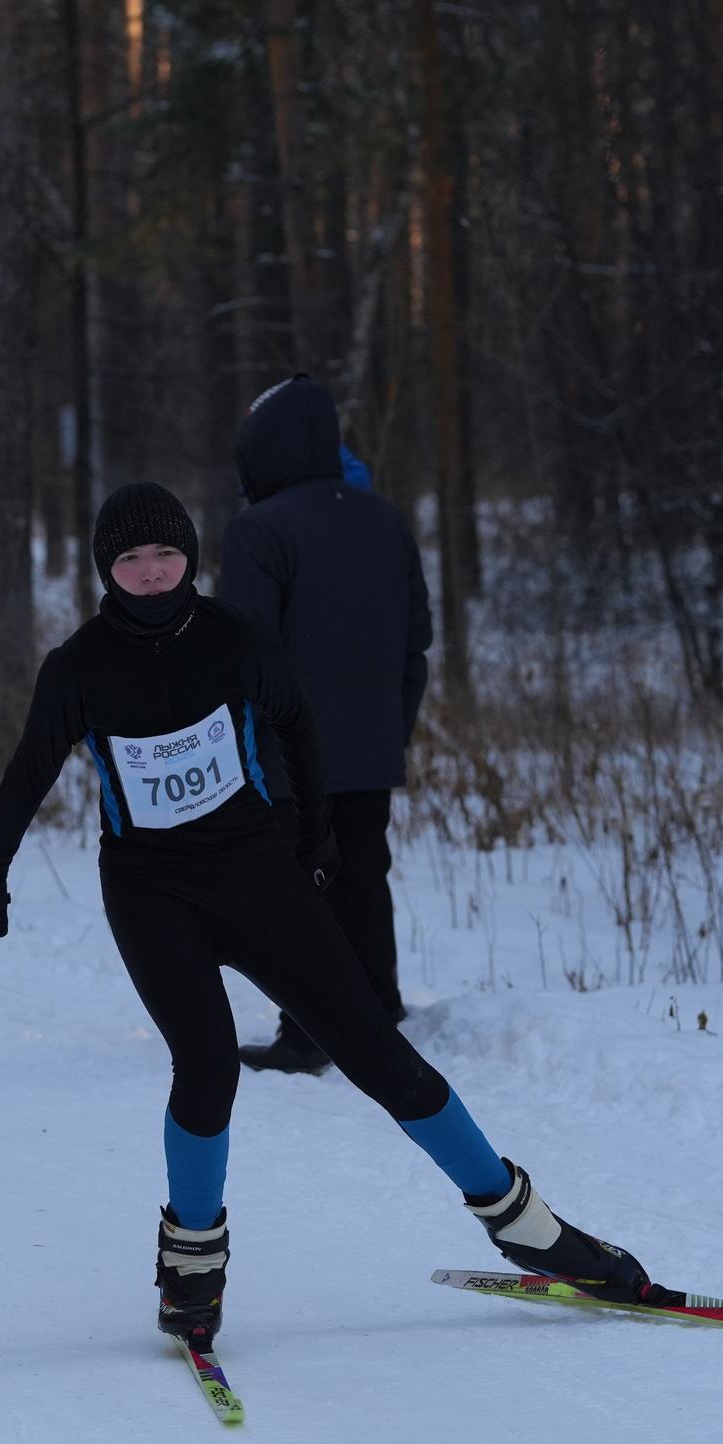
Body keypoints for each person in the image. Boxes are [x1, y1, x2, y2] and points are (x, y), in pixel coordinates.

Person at [0, 482, 675, 1356]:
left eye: (165, 554)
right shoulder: (78, 666)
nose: (149, 573)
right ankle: (191, 1270)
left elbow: (296, 722)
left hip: (256, 871)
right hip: (150, 889)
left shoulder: (236, 643)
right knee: (208, 1062)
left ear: (191, 558)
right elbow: (28, 771)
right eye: (129, 559)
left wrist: (316, 832)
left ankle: (529, 1229)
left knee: (377, 1051)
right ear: (107, 568)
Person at [217, 374, 430, 1076]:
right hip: (372, 740)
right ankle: (378, 1001)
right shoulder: (384, 517)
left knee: (302, 883)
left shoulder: (258, 529)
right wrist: (392, 725)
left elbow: (244, 647)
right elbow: (415, 637)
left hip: (289, 750)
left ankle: (308, 1031)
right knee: (364, 870)